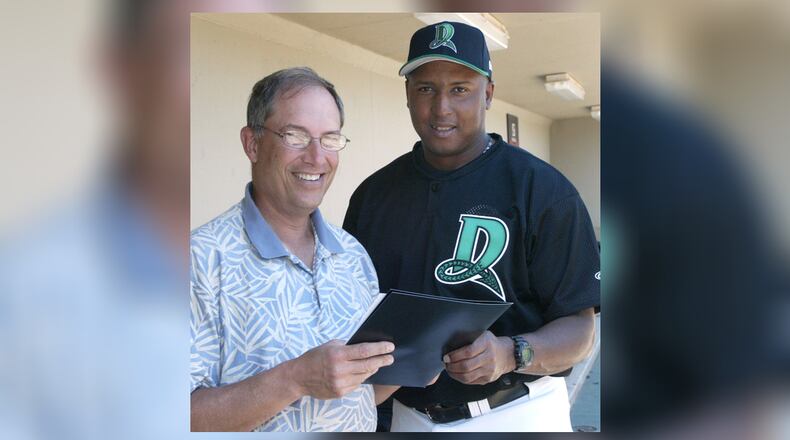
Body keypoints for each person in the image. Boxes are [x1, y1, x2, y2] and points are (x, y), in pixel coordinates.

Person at [343, 21, 600, 432]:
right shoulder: (372, 196)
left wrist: (511, 351)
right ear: (408, 95)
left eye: (460, 88)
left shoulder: (543, 190)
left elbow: (581, 328)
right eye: (426, 88)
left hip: (518, 413)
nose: (441, 107)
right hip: (408, 417)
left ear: (489, 94)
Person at [190, 67, 401, 432]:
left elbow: (359, 396)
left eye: (330, 139)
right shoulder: (200, 258)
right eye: (296, 136)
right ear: (252, 143)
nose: (317, 158)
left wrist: (416, 361)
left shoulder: (352, 255)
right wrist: (294, 379)